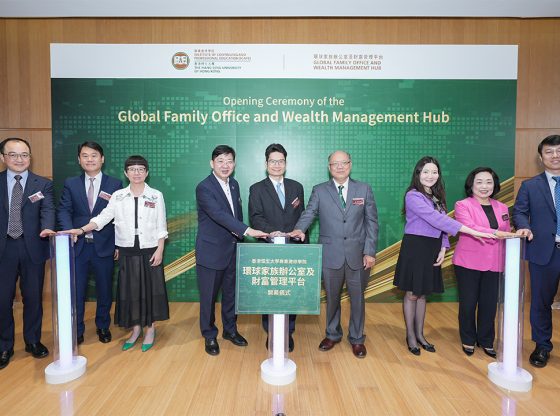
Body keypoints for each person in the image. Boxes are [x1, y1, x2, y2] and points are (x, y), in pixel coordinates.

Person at [62, 156, 168, 352]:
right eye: (132, 169)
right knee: (131, 291)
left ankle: (150, 329)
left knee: (150, 291)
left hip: (150, 248)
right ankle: (136, 329)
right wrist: (82, 229)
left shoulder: (156, 195)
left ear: (147, 172)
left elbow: (162, 225)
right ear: (126, 173)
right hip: (127, 249)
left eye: (141, 169)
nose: (136, 173)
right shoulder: (118, 195)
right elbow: (103, 218)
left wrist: (160, 249)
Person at [393, 156, 497, 356]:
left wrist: (443, 247)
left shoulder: (436, 195)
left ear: (438, 175)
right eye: (425, 172)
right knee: (413, 293)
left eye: (434, 172)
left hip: (432, 247)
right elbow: (436, 219)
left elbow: (441, 227)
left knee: (423, 293)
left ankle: (421, 335)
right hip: (416, 247)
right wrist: (470, 230)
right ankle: (411, 337)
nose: (430, 176)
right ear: (418, 174)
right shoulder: (413, 195)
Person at [290, 150, 378, 358]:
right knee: (332, 298)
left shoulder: (363, 189)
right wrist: (299, 229)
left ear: (350, 164)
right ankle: (332, 334)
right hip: (330, 254)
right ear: (329, 167)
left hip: (358, 255)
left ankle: (357, 338)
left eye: (343, 163)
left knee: (357, 299)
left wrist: (370, 251)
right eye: (334, 164)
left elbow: (372, 223)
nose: (339, 167)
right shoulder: (320, 190)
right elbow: (309, 212)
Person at [195, 145, 268, 356]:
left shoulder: (234, 184)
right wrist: (247, 230)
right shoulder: (204, 187)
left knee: (231, 295)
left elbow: (235, 215)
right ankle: (209, 335)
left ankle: (230, 330)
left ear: (234, 164)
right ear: (212, 164)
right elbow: (218, 214)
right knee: (208, 297)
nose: (225, 165)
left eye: (229, 161)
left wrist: (241, 236)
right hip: (211, 252)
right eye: (220, 161)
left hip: (233, 250)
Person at [58, 141, 122, 345]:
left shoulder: (115, 184)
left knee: (104, 289)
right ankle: (77, 329)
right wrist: (69, 232)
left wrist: (119, 244)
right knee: (77, 291)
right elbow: (64, 210)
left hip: (104, 245)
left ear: (102, 159)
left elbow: (120, 217)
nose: (90, 159)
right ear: (79, 160)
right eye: (85, 156)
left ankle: (103, 326)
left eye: (94, 155)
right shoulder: (71, 183)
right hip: (77, 245)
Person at [0, 137, 55, 370]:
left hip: (33, 247)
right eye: (13, 154)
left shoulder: (42, 184)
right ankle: (4, 345)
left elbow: (48, 209)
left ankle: (33, 341)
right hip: (4, 249)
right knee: (2, 300)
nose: (19, 159)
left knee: (33, 298)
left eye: (24, 155)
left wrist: (48, 227)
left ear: (30, 157)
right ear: (3, 158)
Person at [453, 167, 518, 357]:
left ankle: (486, 340)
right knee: (468, 303)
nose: (484, 186)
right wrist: (497, 233)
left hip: (496, 262)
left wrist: (516, 231)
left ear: (494, 185)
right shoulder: (463, 205)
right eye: (479, 182)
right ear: (471, 185)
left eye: (489, 182)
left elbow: (508, 229)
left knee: (489, 304)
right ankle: (467, 339)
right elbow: (470, 227)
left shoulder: (503, 207)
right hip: (468, 262)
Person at [248, 143, 305, 352]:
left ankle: (288, 332)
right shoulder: (256, 189)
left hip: (294, 249)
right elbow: (255, 217)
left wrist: (300, 231)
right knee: (270, 292)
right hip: (269, 247)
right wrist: (274, 233)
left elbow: (303, 216)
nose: (277, 165)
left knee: (292, 292)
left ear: (286, 163)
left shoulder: (296, 186)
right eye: (273, 161)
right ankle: (271, 331)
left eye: (280, 161)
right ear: (266, 164)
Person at [513, 134, 560, 368]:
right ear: (541, 158)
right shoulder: (530, 186)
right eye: (549, 152)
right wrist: (524, 226)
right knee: (541, 301)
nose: (555, 155)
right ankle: (542, 346)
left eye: (559, 150)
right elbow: (519, 212)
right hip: (544, 251)